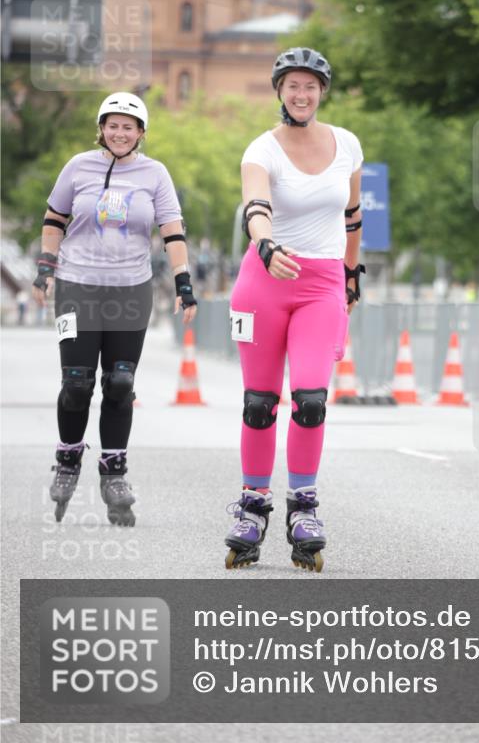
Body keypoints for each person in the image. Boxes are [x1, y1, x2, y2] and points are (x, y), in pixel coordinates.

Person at [225, 47, 365, 572]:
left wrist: (351, 276)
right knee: (260, 403)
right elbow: (255, 205)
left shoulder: (348, 144)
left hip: (321, 283)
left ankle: (303, 507)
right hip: (263, 281)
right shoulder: (262, 148)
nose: (301, 94)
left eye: (310, 86)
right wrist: (265, 244)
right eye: (292, 86)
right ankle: (252, 505)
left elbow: (352, 218)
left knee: (310, 399)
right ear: (279, 91)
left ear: (321, 92)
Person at [32, 92, 198, 527]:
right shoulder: (78, 167)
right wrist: (45, 270)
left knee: (121, 383)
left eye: (129, 126)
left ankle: (114, 473)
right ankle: (68, 459)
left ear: (141, 133)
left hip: (130, 290)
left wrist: (184, 282)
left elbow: (172, 231)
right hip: (76, 287)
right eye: (113, 125)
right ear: (101, 128)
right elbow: (53, 220)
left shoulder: (155, 174)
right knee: (77, 383)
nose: (120, 133)